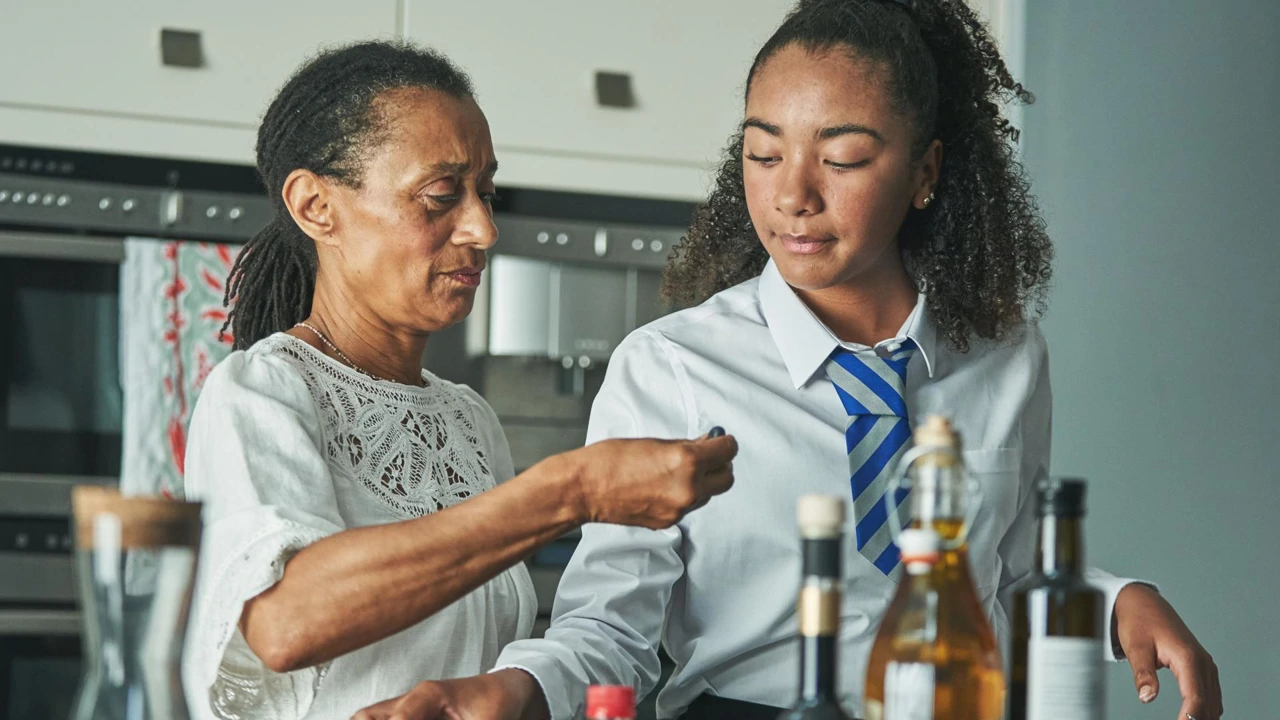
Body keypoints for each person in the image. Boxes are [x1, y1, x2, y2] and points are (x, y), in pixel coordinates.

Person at [353, 1, 1223, 719]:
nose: (793, 195)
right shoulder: (672, 369)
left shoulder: (1006, 355)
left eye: (842, 157)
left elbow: (1008, 572)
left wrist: (1113, 602)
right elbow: (611, 625)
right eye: (764, 154)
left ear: (925, 172)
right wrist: (515, 689)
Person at [178, 41, 738, 720]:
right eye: (440, 196)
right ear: (316, 206)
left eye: (485, 194)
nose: (482, 228)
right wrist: (574, 490)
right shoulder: (260, 393)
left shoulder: (469, 420)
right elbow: (283, 623)